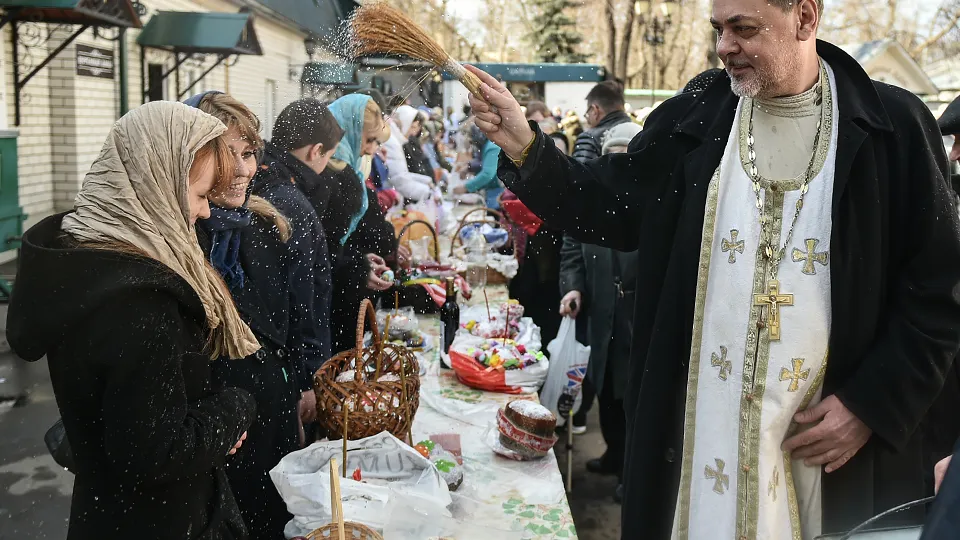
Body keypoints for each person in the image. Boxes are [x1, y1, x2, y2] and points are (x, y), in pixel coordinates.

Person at [466, 0, 960, 536]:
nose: (724, 46)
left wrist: (873, 402)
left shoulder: (896, 129)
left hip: (829, 453)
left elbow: (940, 292)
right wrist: (525, 145)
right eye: (718, 29)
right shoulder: (697, 114)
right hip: (704, 442)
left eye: (744, 28)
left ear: (806, 18)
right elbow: (610, 205)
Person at [7, 101, 256, 538]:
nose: (206, 213)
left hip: (106, 517)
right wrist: (235, 409)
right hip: (160, 522)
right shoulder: (141, 302)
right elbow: (153, 454)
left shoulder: (89, 266)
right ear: (154, 186)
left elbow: (114, 425)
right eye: (200, 196)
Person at [187, 92, 336, 537]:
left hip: (271, 417)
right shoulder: (177, 244)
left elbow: (298, 315)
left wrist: (303, 382)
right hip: (216, 438)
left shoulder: (268, 226)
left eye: (249, 153)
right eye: (224, 154)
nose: (242, 169)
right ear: (189, 158)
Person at [559, 121, 644, 505]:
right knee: (607, 388)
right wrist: (573, 286)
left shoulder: (650, 200)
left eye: (627, 158)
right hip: (600, 314)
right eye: (613, 158)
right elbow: (572, 248)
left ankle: (633, 473)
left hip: (636, 316)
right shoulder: (591, 199)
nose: (619, 166)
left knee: (633, 397)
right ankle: (613, 454)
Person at [325, 94, 398, 353]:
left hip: (341, 293)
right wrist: (356, 266)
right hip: (335, 301)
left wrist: (359, 260)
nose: (371, 149)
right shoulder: (337, 177)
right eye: (368, 140)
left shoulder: (345, 170)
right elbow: (327, 250)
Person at [383, 105, 435, 202]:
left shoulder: (395, 139)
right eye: (412, 127)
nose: (413, 132)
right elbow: (401, 181)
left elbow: (401, 175)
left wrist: (426, 181)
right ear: (405, 123)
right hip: (390, 198)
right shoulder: (392, 142)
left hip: (391, 197)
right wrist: (428, 193)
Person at [573, 81, 632, 162]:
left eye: (587, 114)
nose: (587, 120)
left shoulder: (589, 138)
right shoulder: (641, 132)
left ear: (595, 110)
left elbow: (579, 173)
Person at [452, 125, 503, 210]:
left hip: (498, 192)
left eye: (472, 140)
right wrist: (469, 167)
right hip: (493, 191)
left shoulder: (492, 147)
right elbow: (483, 163)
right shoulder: (487, 145)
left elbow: (487, 174)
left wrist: (466, 187)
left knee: (495, 215)